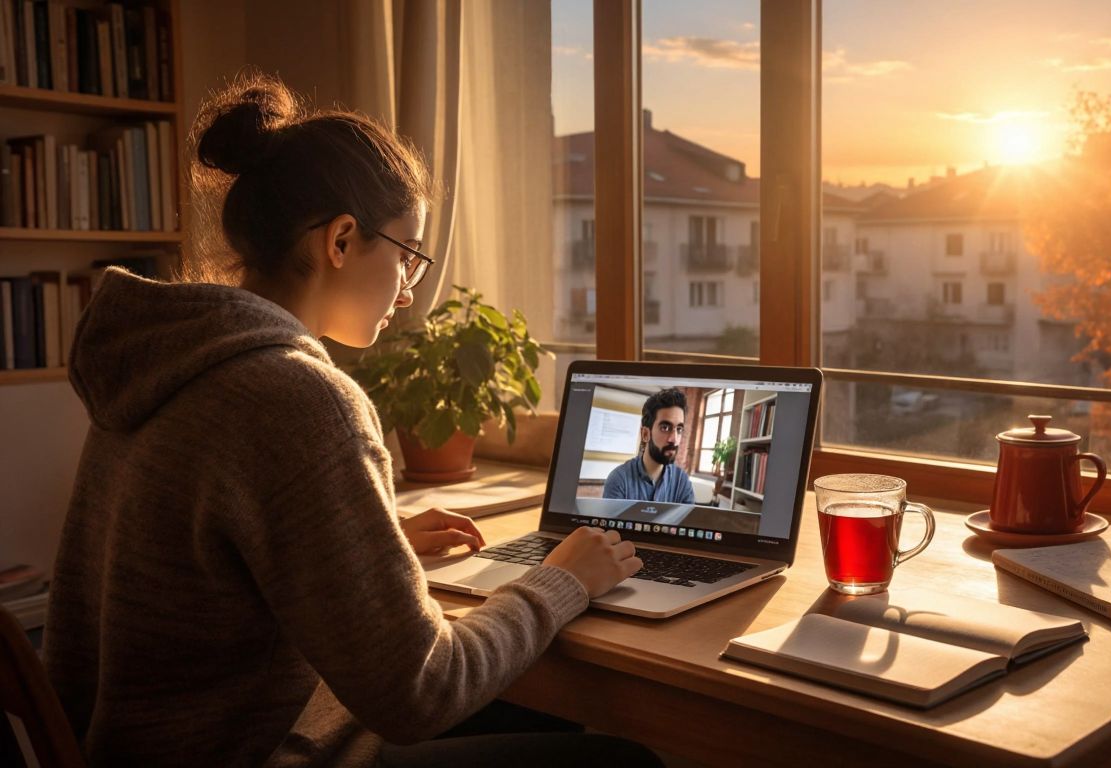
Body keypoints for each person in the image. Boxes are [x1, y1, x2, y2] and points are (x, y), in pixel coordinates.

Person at [43, 73, 658, 768]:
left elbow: (198, 555)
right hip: (249, 753)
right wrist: (563, 579)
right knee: (616, 759)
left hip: (132, 748)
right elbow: (421, 693)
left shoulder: (162, 363)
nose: (407, 289)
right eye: (408, 256)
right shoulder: (298, 398)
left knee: (529, 703)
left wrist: (364, 544)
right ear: (340, 240)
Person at [602, 388, 697, 504]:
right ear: (645, 434)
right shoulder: (619, 480)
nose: (674, 439)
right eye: (665, 428)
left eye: (679, 429)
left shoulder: (682, 481)